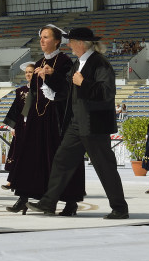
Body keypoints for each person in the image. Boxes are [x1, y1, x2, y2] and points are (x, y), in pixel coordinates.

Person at [28, 28, 129, 220]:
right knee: (62, 160)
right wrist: (50, 76)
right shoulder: (78, 63)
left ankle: (120, 208)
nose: (68, 45)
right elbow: (66, 89)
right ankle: (48, 202)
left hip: (94, 125)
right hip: (77, 124)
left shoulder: (100, 63)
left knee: (105, 167)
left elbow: (107, 92)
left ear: (81, 43)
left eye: (71, 41)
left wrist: (84, 83)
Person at [8, 24, 84, 215]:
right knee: (31, 157)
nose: (41, 40)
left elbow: (68, 89)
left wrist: (51, 75)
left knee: (60, 158)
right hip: (38, 118)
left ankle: (70, 201)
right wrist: (25, 116)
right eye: (41, 37)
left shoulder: (65, 62)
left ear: (57, 41)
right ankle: (24, 197)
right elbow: (33, 93)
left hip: (57, 118)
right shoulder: (39, 62)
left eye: (46, 37)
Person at [0, 62, 34, 192]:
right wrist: (13, 127)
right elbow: (15, 109)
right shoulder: (20, 91)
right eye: (26, 72)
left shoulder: (42, 90)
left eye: (30, 72)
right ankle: (11, 181)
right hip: (21, 127)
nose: (28, 74)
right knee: (18, 153)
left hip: (35, 127)